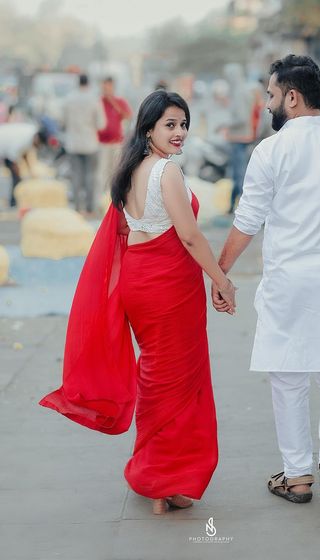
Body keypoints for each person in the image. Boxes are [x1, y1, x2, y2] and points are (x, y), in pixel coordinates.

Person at [39, 90, 236, 516]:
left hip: (140, 281)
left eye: (183, 123)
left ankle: (158, 477)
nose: (179, 132)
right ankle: (164, 480)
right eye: (170, 124)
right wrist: (222, 280)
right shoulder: (167, 172)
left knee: (157, 376)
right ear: (148, 128)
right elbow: (189, 236)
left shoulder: (129, 169)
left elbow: (129, 232)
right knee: (180, 383)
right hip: (168, 288)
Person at [212, 55, 320, 519]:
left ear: (291, 97)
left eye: (271, 95)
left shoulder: (271, 151)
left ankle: (298, 476)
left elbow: (248, 220)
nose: (268, 104)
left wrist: (220, 273)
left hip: (287, 281)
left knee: (287, 375)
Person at [63, 74, 105, 214]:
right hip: (90, 142)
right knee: (90, 175)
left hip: (73, 143)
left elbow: (62, 120)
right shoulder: (94, 99)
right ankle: (90, 207)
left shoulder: (69, 98)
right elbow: (101, 124)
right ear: (88, 83)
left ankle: (76, 206)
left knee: (75, 175)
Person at [224, 63, 255, 214]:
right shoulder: (241, 90)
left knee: (239, 175)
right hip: (239, 137)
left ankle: (243, 208)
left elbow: (242, 117)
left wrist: (225, 124)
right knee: (238, 174)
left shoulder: (239, 92)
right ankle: (233, 207)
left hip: (240, 138)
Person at [97, 77, 132, 199]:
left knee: (115, 170)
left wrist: (112, 101)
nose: (106, 89)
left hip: (117, 142)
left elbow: (128, 115)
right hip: (102, 143)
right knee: (103, 171)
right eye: (104, 87)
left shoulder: (119, 101)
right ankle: (103, 197)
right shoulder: (98, 102)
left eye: (109, 87)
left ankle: (114, 196)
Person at [0, 122, 45, 207]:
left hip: (5, 145)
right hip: (3, 145)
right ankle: (13, 202)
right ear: (37, 138)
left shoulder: (31, 134)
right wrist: (19, 175)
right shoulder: (23, 139)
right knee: (16, 178)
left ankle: (14, 200)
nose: (38, 146)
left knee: (17, 177)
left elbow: (24, 154)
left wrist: (30, 170)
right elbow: (13, 160)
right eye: (39, 144)